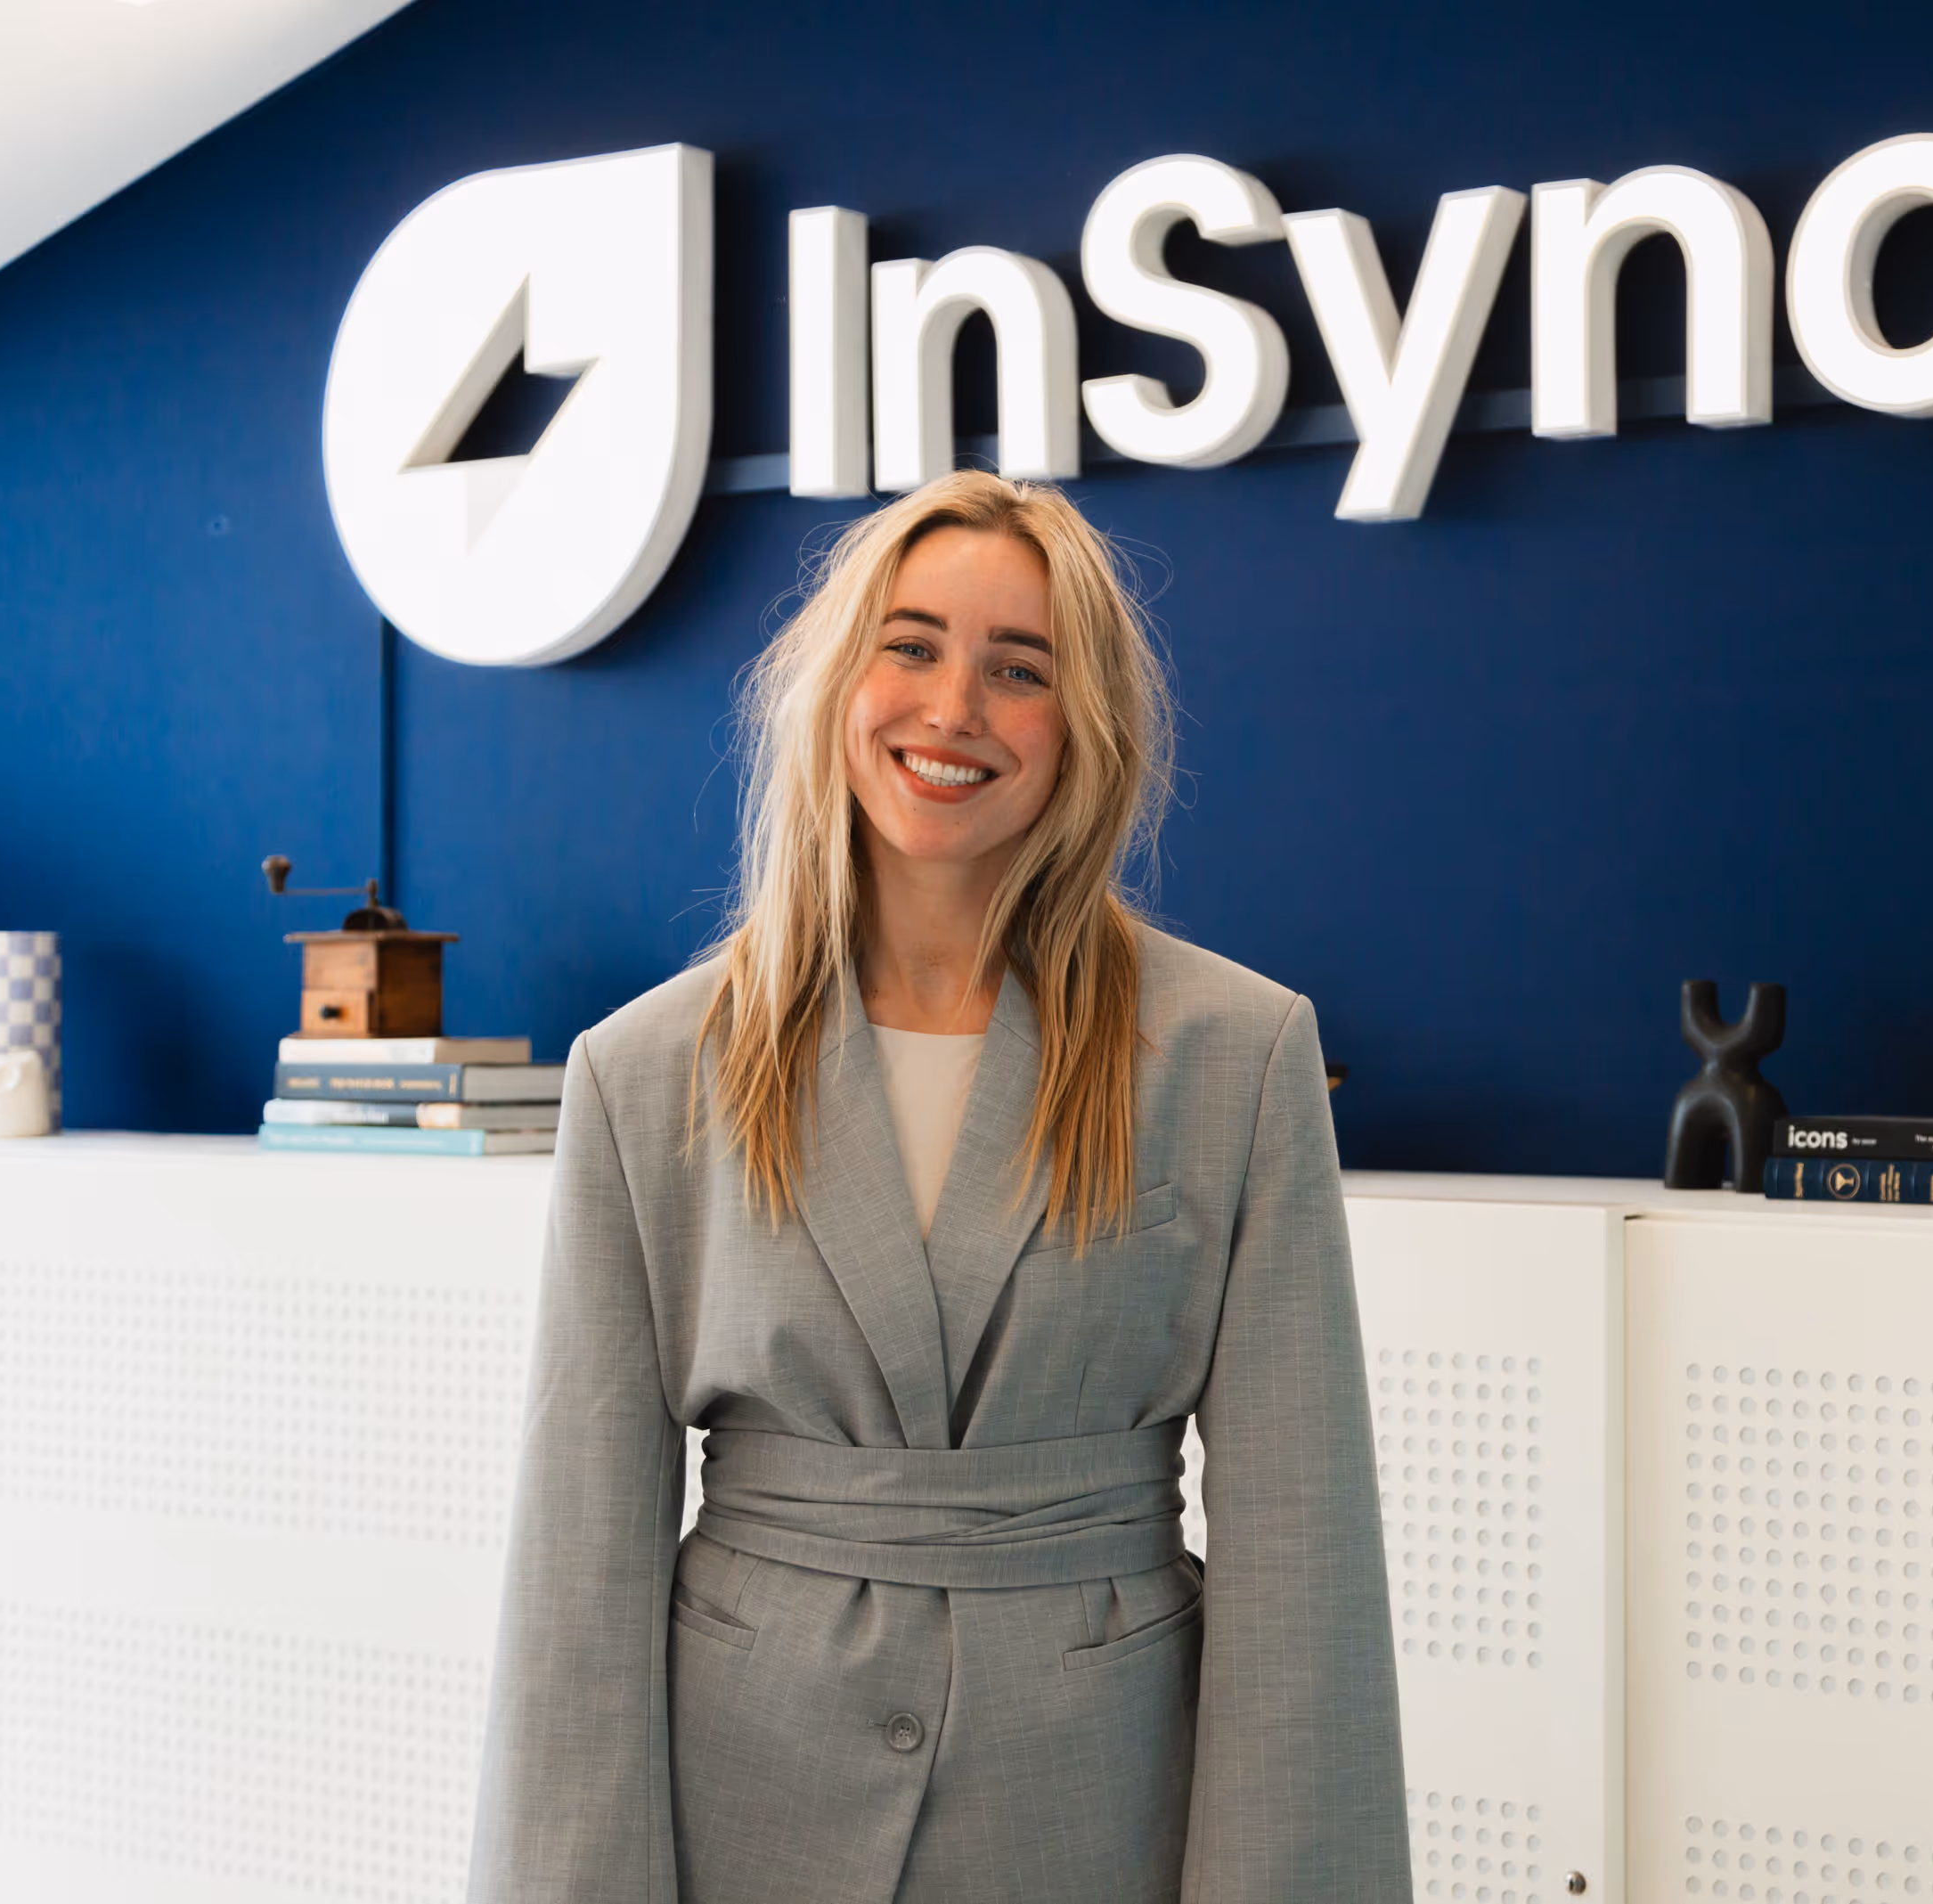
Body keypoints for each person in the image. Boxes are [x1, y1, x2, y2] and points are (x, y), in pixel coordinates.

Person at [464, 471, 1409, 1903]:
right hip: (746, 1811)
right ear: (837, 679)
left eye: (1017, 668)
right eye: (910, 645)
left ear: (1082, 725)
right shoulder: (644, 1070)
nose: (954, 706)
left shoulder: (1235, 1054)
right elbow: (576, 1579)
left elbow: (1304, 1558)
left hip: (1095, 1815)